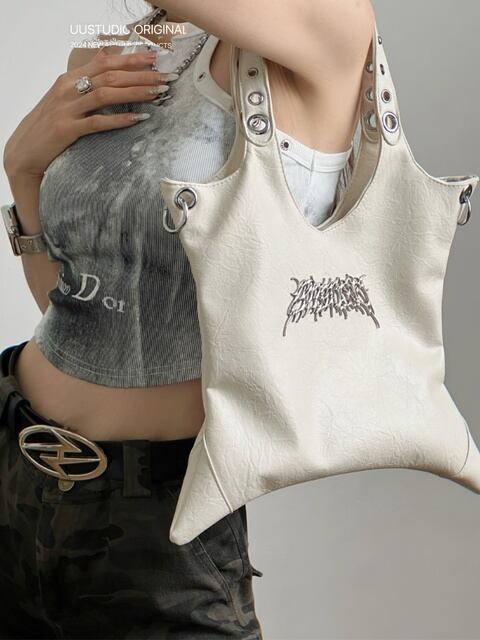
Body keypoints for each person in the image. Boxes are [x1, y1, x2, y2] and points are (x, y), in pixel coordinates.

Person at [0, 0, 375, 637]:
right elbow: (78, 312)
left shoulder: (328, 20)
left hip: (158, 520)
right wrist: (23, 170)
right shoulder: (120, 50)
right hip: (14, 456)